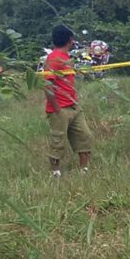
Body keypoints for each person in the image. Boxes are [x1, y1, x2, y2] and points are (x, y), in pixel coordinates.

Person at [42, 25, 93, 178]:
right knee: (58, 141)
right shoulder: (53, 58)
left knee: (84, 136)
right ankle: (55, 173)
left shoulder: (66, 58)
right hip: (60, 109)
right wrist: (57, 109)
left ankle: (84, 170)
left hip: (73, 106)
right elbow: (47, 85)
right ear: (70, 40)